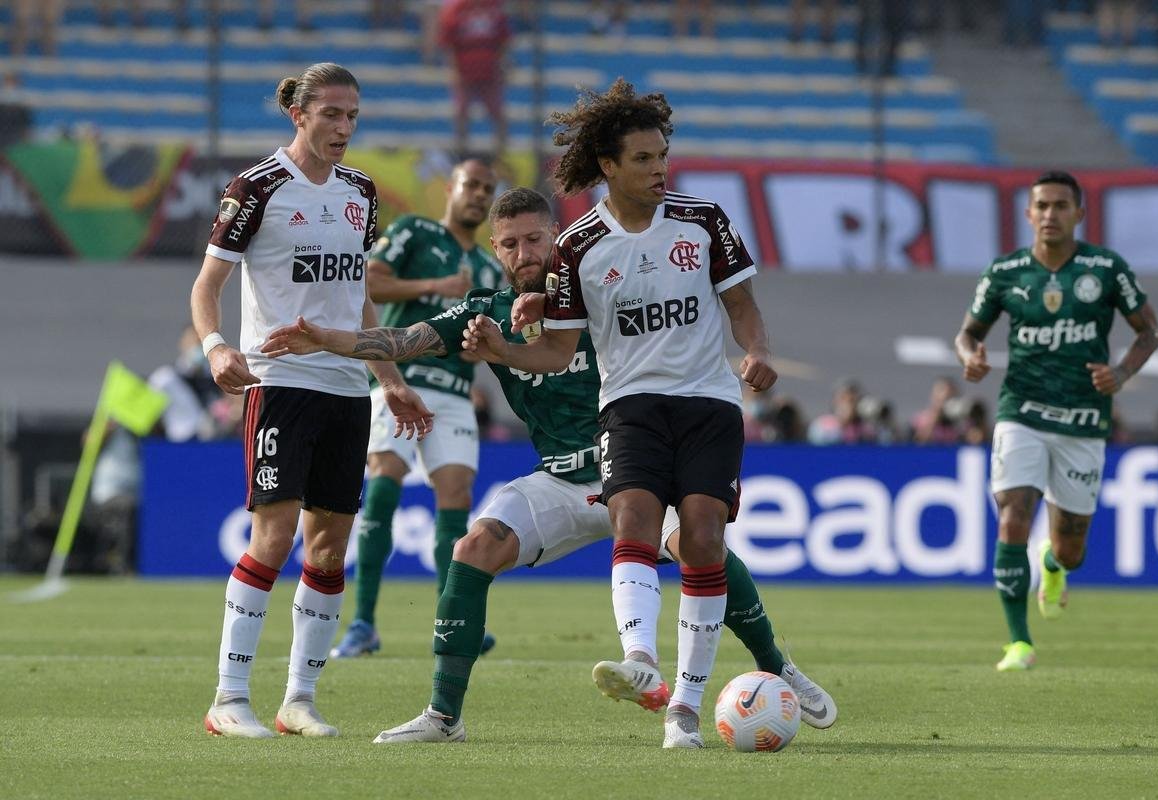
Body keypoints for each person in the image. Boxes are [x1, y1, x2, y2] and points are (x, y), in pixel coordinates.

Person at [262, 186, 836, 745]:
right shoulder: (486, 313)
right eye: (509, 244)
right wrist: (329, 341)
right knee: (472, 549)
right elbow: (406, 338)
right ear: (495, 251)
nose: (524, 254)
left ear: (557, 237)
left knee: (699, 545)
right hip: (561, 478)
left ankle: (776, 667)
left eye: (535, 239)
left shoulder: (596, 286)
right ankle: (443, 716)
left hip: (635, 468)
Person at [459, 79, 778, 749]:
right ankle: (641, 661)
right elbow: (556, 352)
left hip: (709, 401)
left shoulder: (704, 220)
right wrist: (502, 350)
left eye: (662, 155)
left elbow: (742, 306)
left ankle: (685, 709)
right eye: (643, 159)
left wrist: (757, 352)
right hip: (629, 405)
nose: (659, 168)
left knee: (700, 537)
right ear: (609, 165)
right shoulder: (577, 247)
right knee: (632, 516)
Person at [189, 62, 432, 739]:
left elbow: (355, 294)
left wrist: (389, 377)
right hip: (279, 382)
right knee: (272, 537)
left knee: (328, 552)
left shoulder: (359, 192)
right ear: (299, 115)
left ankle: (298, 699)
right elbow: (206, 286)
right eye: (331, 114)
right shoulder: (257, 187)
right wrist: (215, 347)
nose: (344, 128)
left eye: (353, 116)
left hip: (346, 386)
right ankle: (228, 698)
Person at [954, 170, 1158, 672]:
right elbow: (967, 333)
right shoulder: (1005, 272)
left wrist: (1121, 371)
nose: (1050, 214)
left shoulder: (1106, 269)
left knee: (1072, 551)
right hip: (1020, 410)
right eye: (1041, 206)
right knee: (1012, 516)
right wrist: (971, 357)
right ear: (1028, 214)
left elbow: (1149, 330)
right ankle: (1019, 643)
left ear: (1079, 214)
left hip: (1085, 419)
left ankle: (1052, 564)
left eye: (1060, 206)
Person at [329, 157, 505, 660]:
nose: (478, 195)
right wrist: (435, 288)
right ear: (450, 189)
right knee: (383, 481)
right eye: (471, 185)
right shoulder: (414, 231)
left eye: (486, 188)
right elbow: (368, 282)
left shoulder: (492, 266)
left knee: (455, 494)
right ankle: (362, 623)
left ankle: (453, 621)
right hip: (399, 380)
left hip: (453, 391)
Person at [437, 0, 511, 157]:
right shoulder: (456, 9)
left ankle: (502, 152)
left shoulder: (493, 7)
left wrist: (503, 64)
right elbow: (448, 42)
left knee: (497, 112)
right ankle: (461, 151)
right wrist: (453, 69)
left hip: (490, 69)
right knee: (461, 111)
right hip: (464, 70)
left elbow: (504, 39)